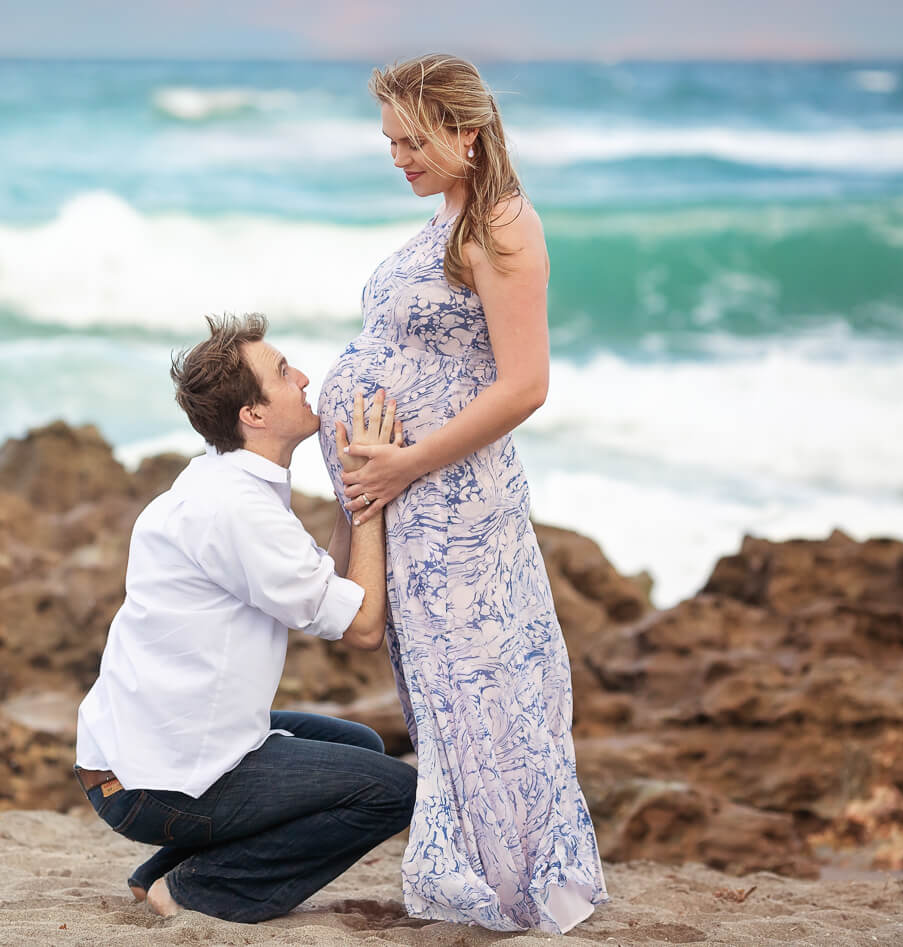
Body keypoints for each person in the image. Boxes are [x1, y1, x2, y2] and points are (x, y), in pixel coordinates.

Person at [315, 55, 609, 933]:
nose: (396, 157)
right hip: (419, 509)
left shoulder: (503, 225)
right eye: (390, 141)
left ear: (466, 134)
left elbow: (525, 386)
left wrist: (403, 464)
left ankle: (516, 888)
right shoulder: (449, 218)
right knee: (445, 696)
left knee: (484, 690)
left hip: (456, 510)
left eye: (412, 141)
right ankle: (488, 877)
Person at [75, 313, 417, 924]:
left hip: (136, 748)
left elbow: (327, 592)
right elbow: (364, 627)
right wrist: (371, 494)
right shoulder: (237, 510)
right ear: (252, 415)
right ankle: (195, 892)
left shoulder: (225, 480)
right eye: (285, 373)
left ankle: (159, 874)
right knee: (391, 791)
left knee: (358, 744)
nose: (305, 378)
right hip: (152, 784)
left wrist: (351, 488)